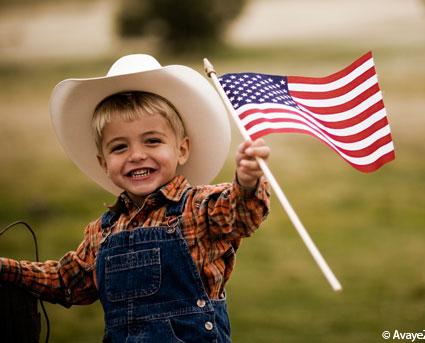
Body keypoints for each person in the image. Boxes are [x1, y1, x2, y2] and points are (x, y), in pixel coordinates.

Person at [0, 54, 270, 342]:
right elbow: (68, 281)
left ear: (181, 149)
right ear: (104, 163)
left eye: (152, 141)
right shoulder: (103, 231)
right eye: (119, 147)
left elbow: (238, 214)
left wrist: (247, 181)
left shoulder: (198, 207)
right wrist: (6, 268)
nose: (137, 155)